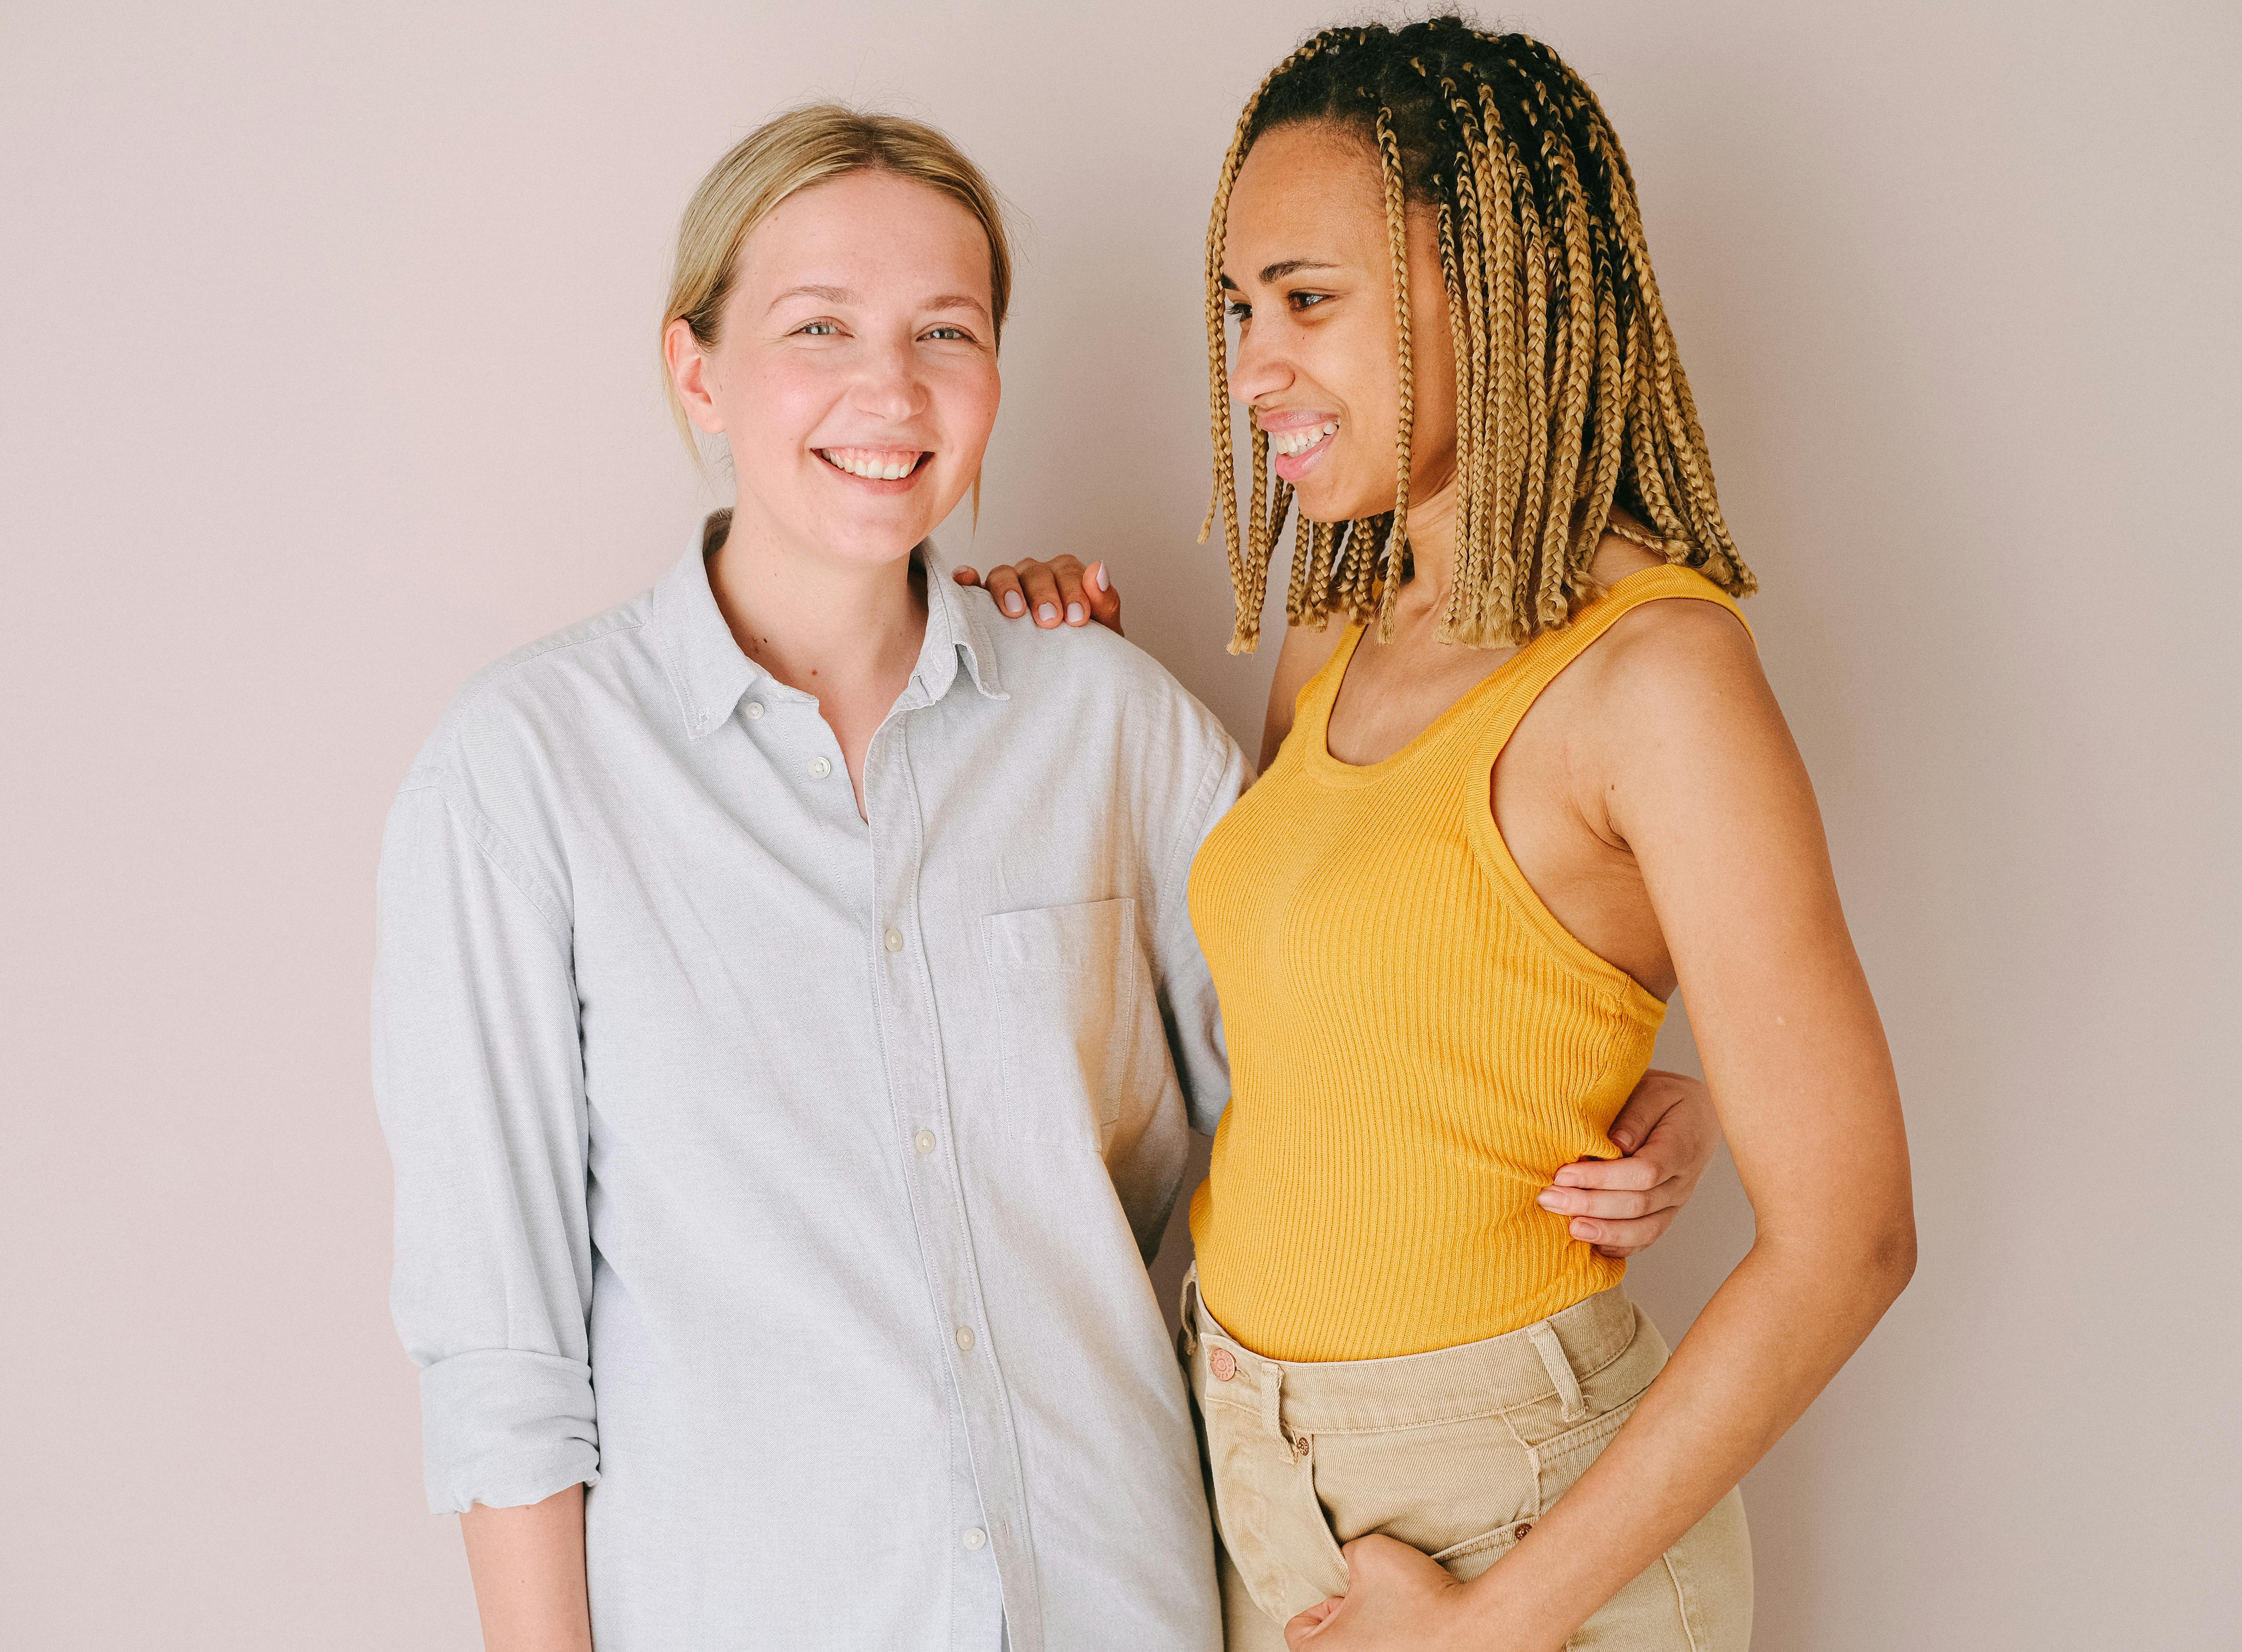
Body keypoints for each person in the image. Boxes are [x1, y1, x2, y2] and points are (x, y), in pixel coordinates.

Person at [372, 102, 1719, 1652]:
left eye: (946, 331)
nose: (890, 388)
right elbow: (502, 1348)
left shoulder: (1110, 727)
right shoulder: (526, 774)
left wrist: (1638, 1094)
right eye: (820, 326)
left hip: (1123, 1601)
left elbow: (1352, 1062)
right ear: (699, 370)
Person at [969, 19, 1914, 1652]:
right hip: (1268, 1477)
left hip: (1513, 1516)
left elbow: (1852, 1241)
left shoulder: (1659, 677)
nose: (1255, 365)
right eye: (1241, 309)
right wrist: (1025, 667)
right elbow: (1344, 1024)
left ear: (1500, 284)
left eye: (1308, 299)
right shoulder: (1341, 628)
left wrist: (1490, 1626)